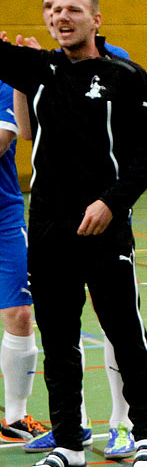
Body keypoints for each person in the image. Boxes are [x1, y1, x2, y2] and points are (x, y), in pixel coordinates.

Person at [0, 0, 147, 467]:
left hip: (104, 228)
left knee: (125, 334)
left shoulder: (127, 76)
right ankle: (69, 444)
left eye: (72, 8)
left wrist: (112, 203)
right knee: (58, 341)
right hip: (49, 231)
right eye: (51, 8)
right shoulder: (39, 70)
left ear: (96, 19)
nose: (60, 16)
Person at [0, 80, 45, 446]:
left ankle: (15, 415)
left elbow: (3, 139)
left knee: (20, 313)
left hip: (3, 214)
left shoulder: (3, 83)